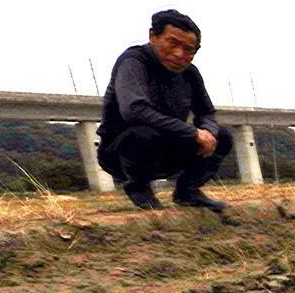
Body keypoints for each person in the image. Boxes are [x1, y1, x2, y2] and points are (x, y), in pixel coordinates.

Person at [97, 9, 232, 212]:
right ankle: (139, 187)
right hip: (123, 152)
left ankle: (188, 191)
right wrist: (193, 133)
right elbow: (135, 110)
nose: (179, 54)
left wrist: (208, 132)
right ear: (153, 36)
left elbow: (206, 113)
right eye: (173, 43)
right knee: (143, 134)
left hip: (167, 148)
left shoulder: (190, 74)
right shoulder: (133, 61)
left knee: (222, 136)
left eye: (188, 50)